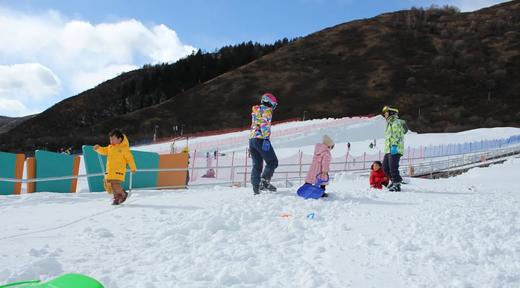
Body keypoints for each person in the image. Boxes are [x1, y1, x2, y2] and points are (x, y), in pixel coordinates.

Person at [94, 129, 137, 205]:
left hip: (119, 171)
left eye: (113, 139)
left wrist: (133, 168)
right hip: (110, 171)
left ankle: (123, 194)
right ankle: (117, 198)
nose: (111, 141)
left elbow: (130, 159)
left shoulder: (124, 149)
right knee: (110, 185)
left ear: (119, 139)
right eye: (110, 139)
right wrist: (98, 148)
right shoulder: (110, 148)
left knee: (115, 184)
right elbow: (104, 151)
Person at [249, 93, 279, 195]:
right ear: (269, 102)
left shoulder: (255, 110)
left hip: (252, 140)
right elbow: (264, 125)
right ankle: (265, 182)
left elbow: (255, 125)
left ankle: (256, 188)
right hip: (261, 139)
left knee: (257, 165)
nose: (273, 108)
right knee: (273, 161)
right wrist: (266, 138)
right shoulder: (267, 111)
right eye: (273, 105)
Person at [382, 106, 405, 192]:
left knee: (393, 167)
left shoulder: (396, 122)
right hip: (388, 150)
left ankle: (397, 184)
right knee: (385, 167)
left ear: (391, 113)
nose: (385, 115)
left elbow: (396, 134)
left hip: (395, 148)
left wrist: (394, 146)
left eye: (386, 113)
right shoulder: (389, 123)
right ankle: (394, 181)